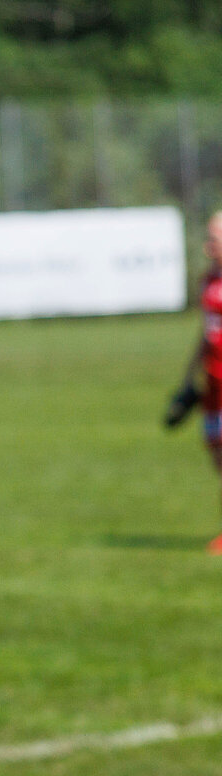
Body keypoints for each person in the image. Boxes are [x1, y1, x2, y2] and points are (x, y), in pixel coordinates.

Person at [165, 210, 222, 554]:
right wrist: (189, 375)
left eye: (214, 240)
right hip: (212, 385)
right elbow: (205, 332)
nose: (207, 247)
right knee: (217, 455)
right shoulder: (207, 281)